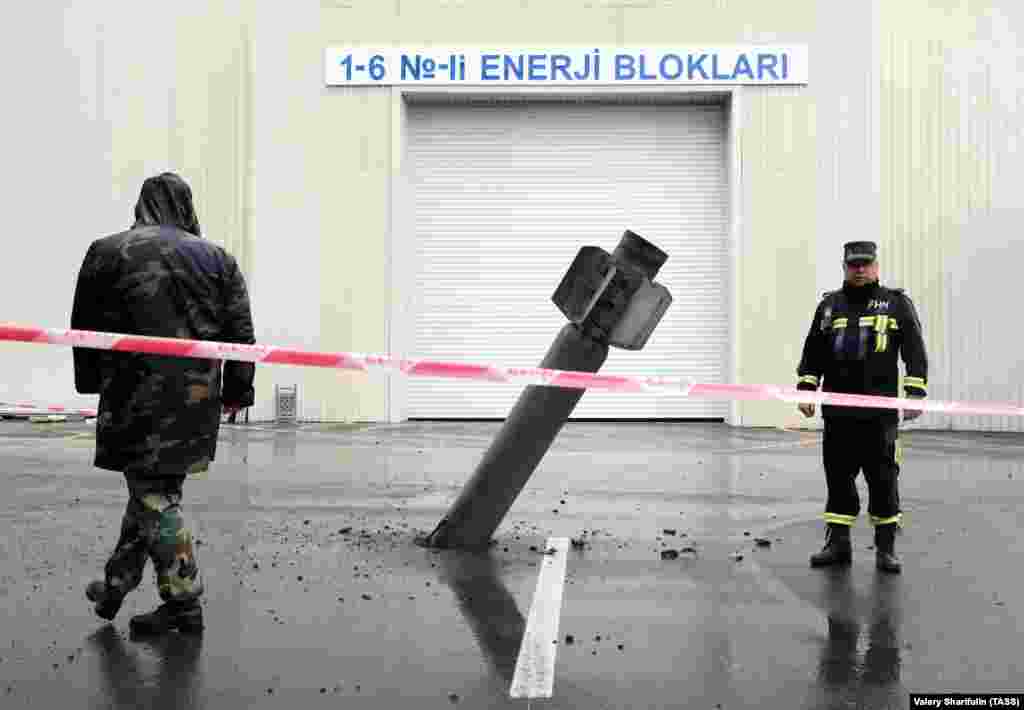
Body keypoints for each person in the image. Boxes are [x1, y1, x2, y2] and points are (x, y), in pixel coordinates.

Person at [71, 172, 256, 633]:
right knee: (153, 493)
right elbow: (242, 337)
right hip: (195, 403)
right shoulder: (218, 260)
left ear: (142, 205)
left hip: (133, 397)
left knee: (153, 495)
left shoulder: (108, 252)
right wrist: (236, 393)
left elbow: (84, 328)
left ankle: (183, 603)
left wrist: (90, 383)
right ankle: (114, 587)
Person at [796, 241, 928, 573]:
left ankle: (886, 550)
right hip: (838, 413)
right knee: (838, 478)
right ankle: (838, 545)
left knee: (883, 479)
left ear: (876, 266)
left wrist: (914, 393)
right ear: (844, 267)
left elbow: (914, 348)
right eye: (853, 264)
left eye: (865, 264)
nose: (859, 269)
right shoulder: (829, 306)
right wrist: (807, 390)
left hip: (879, 414)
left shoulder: (895, 304)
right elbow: (813, 351)